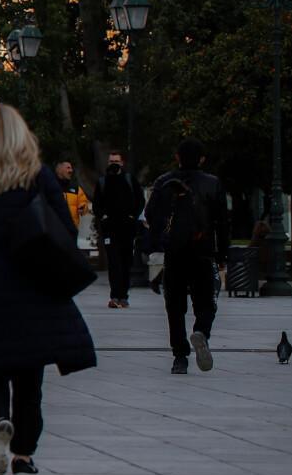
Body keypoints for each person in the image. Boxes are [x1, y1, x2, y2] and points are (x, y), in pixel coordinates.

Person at [0, 103, 98, 475]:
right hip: (33, 286)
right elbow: (65, 230)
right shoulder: (37, 177)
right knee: (30, 378)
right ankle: (24, 455)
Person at [143, 139, 228, 375]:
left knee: (175, 306)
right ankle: (201, 331)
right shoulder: (212, 184)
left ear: (177, 157)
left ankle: (180, 356)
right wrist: (222, 254)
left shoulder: (164, 182)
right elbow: (222, 222)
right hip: (202, 250)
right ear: (202, 159)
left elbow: (151, 215)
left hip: (174, 253)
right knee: (206, 301)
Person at [93, 150, 145, 309]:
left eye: (116, 161)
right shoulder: (102, 182)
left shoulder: (130, 180)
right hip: (110, 230)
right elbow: (96, 204)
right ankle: (115, 296)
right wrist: (103, 217)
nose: (114, 164)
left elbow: (140, 200)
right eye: (111, 161)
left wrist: (132, 217)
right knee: (114, 263)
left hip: (127, 230)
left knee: (126, 262)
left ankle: (124, 296)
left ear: (122, 163)